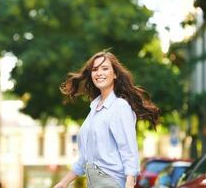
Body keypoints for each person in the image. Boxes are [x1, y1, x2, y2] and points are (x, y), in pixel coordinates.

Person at [54, 50, 159, 188]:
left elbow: (128, 150)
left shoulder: (120, 107)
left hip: (111, 182)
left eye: (105, 68)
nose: (99, 73)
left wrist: (130, 182)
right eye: (95, 69)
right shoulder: (94, 109)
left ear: (115, 74)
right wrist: (63, 183)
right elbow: (85, 158)